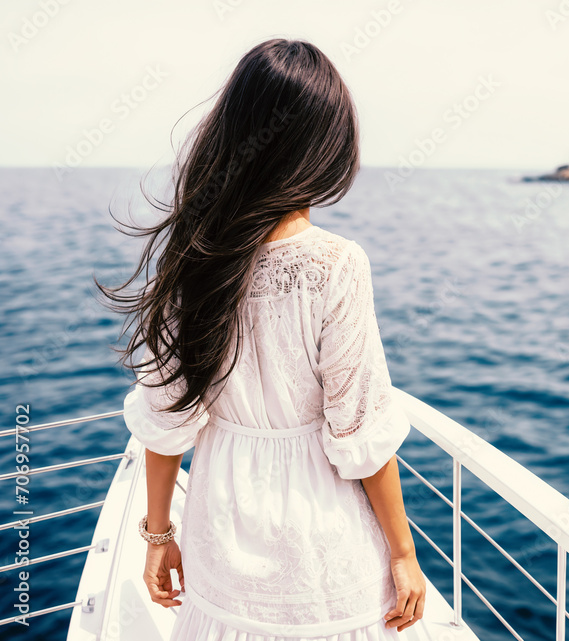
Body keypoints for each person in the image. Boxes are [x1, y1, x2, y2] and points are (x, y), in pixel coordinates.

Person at [97, 38, 426, 640]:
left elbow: (166, 418)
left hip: (221, 543)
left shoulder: (192, 260)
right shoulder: (334, 264)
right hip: (324, 553)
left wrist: (158, 535)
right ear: (324, 149)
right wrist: (403, 555)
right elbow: (358, 432)